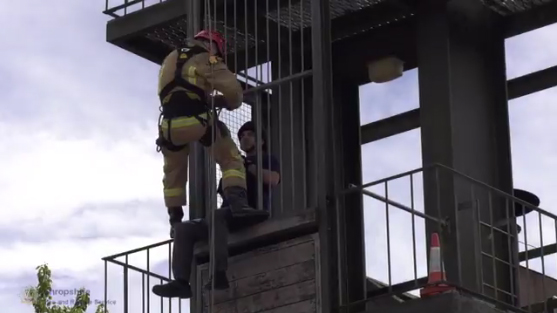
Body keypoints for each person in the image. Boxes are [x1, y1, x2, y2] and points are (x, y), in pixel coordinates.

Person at [156, 30, 264, 240]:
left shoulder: (170, 58)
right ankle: (238, 205)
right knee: (230, 157)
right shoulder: (208, 56)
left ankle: (175, 222)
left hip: (168, 127)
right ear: (212, 45)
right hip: (197, 120)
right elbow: (233, 91)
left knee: (173, 174)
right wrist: (230, 102)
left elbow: (177, 88)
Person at [152, 122, 280, 299]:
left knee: (217, 216)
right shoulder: (233, 161)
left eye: (250, 134)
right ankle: (181, 282)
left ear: (261, 141)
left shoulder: (265, 159)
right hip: (227, 215)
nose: (245, 138)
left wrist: (249, 167)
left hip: (250, 212)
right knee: (184, 229)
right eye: (242, 136)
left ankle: (219, 274)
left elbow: (273, 180)